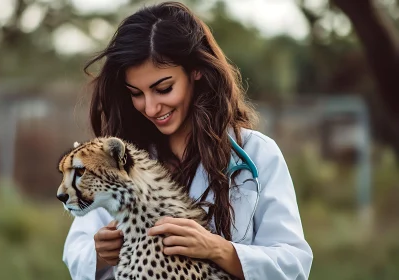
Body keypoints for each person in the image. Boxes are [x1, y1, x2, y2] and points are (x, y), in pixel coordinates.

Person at [62, 2, 313, 279]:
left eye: (163, 88)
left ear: (196, 70)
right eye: (136, 93)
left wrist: (219, 250)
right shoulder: (117, 160)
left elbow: (293, 264)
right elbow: (76, 249)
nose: (150, 107)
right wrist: (98, 254)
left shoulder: (257, 154)